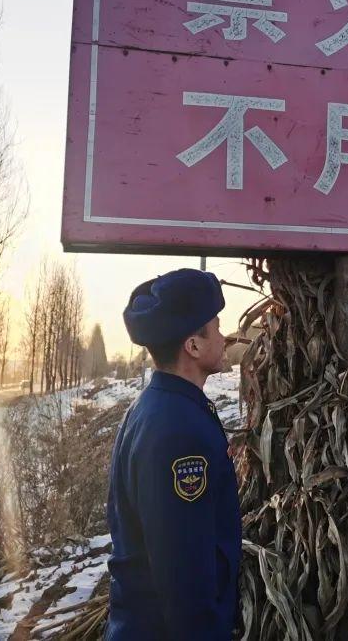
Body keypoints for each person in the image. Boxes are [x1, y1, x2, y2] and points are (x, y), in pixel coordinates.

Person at [106, 268, 241, 640]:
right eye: (216, 327)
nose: (225, 337)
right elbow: (184, 572)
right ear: (193, 346)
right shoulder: (179, 431)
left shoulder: (156, 407)